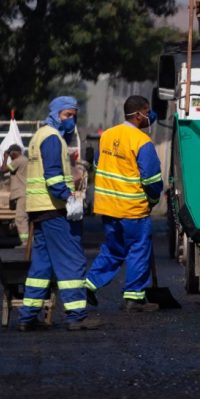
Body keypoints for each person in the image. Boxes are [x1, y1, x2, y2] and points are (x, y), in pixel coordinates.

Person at [16, 96, 100, 331]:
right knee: (71, 260)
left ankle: (27, 316)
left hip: (39, 209)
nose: (71, 120)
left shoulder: (40, 136)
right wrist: (69, 196)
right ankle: (76, 316)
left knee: (41, 266)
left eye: (74, 115)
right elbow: (53, 178)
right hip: (54, 209)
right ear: (55, 114)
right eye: (67, 115)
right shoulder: (53, 139)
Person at [84, 95, 164, 312]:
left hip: (108, 207)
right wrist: (154, 200)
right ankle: (134, 298)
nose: (150, 117)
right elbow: (152, 180)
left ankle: (89, 285)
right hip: (132, 209)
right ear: (139, 115)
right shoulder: (142, 142)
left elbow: (99, 165)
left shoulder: (107, 135)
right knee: (138, 249)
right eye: (147, 112)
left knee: (114, 247)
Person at [5, 145, 29, 245]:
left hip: (22, 194)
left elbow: (3, 170)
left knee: (20, 218)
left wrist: (5, 157)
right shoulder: (26, 160)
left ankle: (25, 242)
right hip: (26, 193)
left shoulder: (18, 160)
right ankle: (28, 240)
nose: (10, 157)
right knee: (26, 218)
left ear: (14, 153)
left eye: (10, 155)